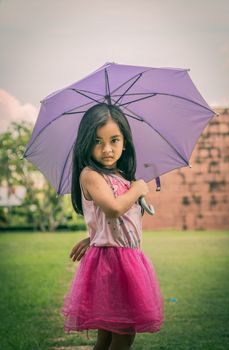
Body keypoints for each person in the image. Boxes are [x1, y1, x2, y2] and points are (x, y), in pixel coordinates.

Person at [61, 103, 164, 350]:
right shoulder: (90, 175)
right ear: (86, 143)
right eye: (98, 141)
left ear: (125, 142)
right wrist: (138, 188)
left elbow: (115, 221)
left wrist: (93, 237)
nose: (107, 149)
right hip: (112, 263)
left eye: (114, 140)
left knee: (108, 335)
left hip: (126, 257)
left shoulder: (120, 176)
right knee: (124, 331)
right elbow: (113, 208)